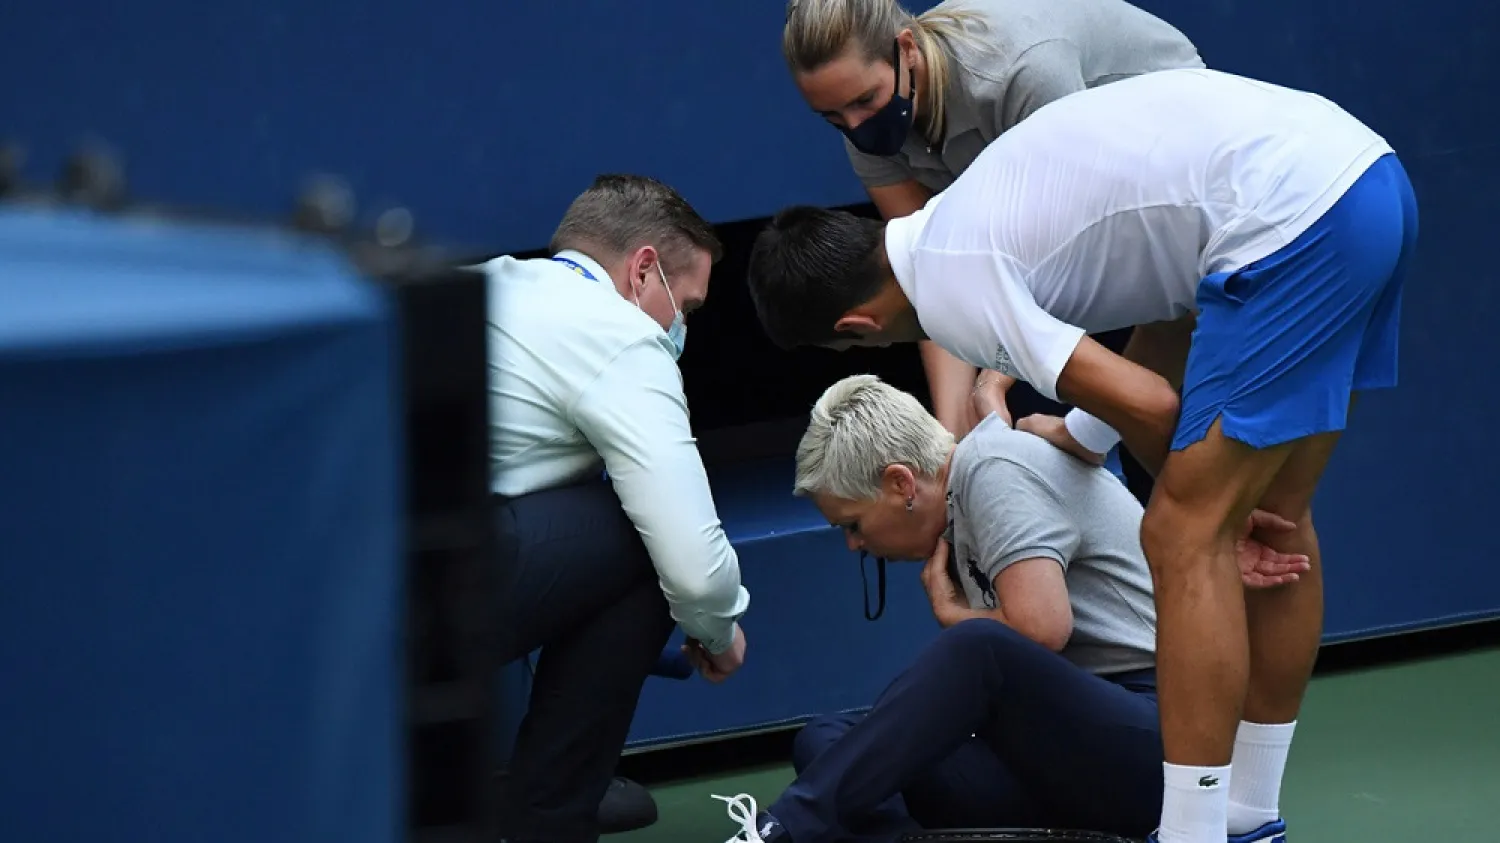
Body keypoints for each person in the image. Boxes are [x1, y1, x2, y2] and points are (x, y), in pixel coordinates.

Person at [742, 68, 1418, 843]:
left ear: (857, 326)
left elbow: (1154, 404)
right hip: (1365, 179)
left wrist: (1214, 517)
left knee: (1184, 529)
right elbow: (1168, 316)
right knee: (1280, 517)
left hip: (1297, 219)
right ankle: (1250, 816)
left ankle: (1197, 833)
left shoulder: (952, 287)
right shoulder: (964, 218)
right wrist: (1083, 434)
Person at [710, 375, 1309, 843]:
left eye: (854, 524)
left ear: (900, 484)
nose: (853, 544)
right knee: (829, 740)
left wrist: (954, 617)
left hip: (1165, 737)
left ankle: (783, 830)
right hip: (1069, 751)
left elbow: (1041, 629)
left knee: (977, 649)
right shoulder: (963, 492)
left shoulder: (991, 469)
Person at [780, 0, 1204, 443]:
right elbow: (928, 281)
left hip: (1181, 165)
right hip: (1094, 229)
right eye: (832, 118)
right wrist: (949, 438)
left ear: (906, 50)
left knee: (1151, 415)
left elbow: (1077, 249)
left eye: (866, 99)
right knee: (1013, 417)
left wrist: (994, 378)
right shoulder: (865, 131)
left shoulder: (1021, 74)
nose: (855, 126)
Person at [483, 173, 753, 843]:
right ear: (641, 271)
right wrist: (719, 630)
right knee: (645, 539)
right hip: (420, 599)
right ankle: (549, 820)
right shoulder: (620, 334)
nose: (681, 325)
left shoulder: (492, 281)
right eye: (685, 303)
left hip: (337, 576)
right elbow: (692, 563)